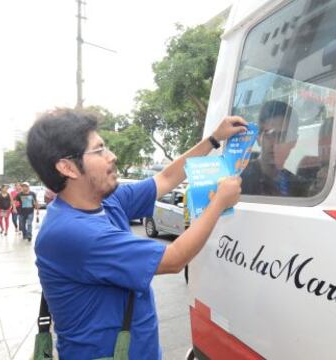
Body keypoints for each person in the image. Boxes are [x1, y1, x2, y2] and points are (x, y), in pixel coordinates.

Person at [26, 109, 245, 359]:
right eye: (99, 151)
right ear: (68, 168)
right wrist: (218, 202)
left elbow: (165, 177)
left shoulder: (106, 202)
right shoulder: (72, 232)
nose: (112, 156)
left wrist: (214, 139)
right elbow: (174, 259)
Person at [241, 100, 307, 196]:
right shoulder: (240, 181)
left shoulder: (299, 185)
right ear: (258, 138)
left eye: (283, 136)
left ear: (294, 141)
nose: (275, 144)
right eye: (270, 135)